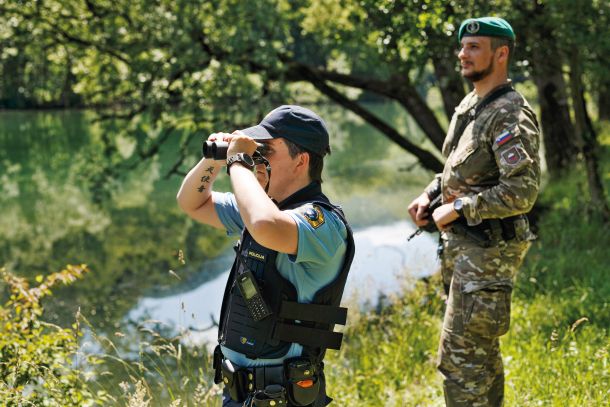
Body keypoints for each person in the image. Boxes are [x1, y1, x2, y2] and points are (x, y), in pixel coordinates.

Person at [177, 105, 354, 407]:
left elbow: (265, 226)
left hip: (284, 397)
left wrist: (238, 162)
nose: (257, 158)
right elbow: (192, 202)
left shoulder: (322, 223)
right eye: (254, 150)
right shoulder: (262, 209)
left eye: (266, 150)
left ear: (302, 160)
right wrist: (213, 160)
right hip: (237, 393)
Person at [407, 17, 541, 406]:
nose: (462, 54)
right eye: (462, 47)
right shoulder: (472, 104)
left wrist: (459, 209)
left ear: (501, 54)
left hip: (487, 256)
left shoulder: (509, 114)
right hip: (465, 252)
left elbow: (523, 190)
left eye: (474, 47)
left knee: (460, 364)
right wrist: (431, 194)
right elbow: (459, 167)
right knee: (479, 359)